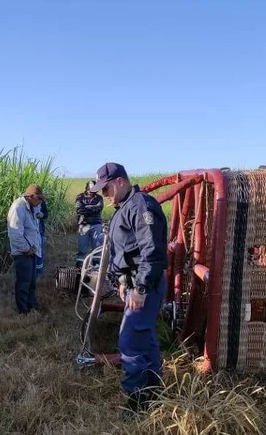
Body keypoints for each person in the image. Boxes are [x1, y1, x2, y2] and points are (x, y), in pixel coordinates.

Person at [89, 162, 168, 413]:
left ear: (121, 181)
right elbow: (125, 251)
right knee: (145, 337)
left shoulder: (141, 206)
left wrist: (141, 288)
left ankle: (136, 403)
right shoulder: (124, 207)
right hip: (134, 282)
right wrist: (124, 282)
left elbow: (152, 252)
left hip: (145, 284)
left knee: (130, 342)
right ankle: (153, 390)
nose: (105, 195)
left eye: (107, 188)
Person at [7, 184, 44, 314]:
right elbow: (15, 233)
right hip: (23, 252)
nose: (41, 201)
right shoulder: (18, 208)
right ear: (30, 196)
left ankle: (31, 305)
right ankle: (23, 310)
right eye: (39, 198)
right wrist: (26, 248)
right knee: (24, 283)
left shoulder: (32, 206)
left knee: (32, 282)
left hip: (32, 250)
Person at [74, 180, 104, 267]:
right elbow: (79, 209)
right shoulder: (79, 197)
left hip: (96, 224)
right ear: (86, 189)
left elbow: (99, 208)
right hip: (83, 225)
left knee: (97, 247)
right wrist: (92, 208)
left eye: (93, 190)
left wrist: (86, 208)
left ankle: (96, 264)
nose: (91, 192)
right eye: (89, 190)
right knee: (82, 247)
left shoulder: (99, 198)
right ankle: (80, 265)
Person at [33, 198, 49, 275]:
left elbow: (46, 213)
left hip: (40, 229)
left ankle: (39, 272)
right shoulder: (26, 204)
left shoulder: (41, 202)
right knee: (33, 251)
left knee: (40, 251)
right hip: (31, 231)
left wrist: (42, 215)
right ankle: (33, 271)